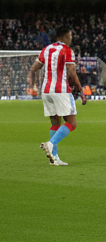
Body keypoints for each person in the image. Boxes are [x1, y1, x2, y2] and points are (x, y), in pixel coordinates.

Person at [28, 24, 86, 166]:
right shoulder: (67, 50)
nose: (71, 38)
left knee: (55, 122)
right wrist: (81, 90)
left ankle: (54, 158)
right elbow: (71, 72)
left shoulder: (46, 50)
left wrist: (32, 85)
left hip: (46, 91)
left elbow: (33, 69)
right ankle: (51, 143)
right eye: (70, 35)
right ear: (65, 36)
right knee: (72, 123)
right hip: (61, 90)